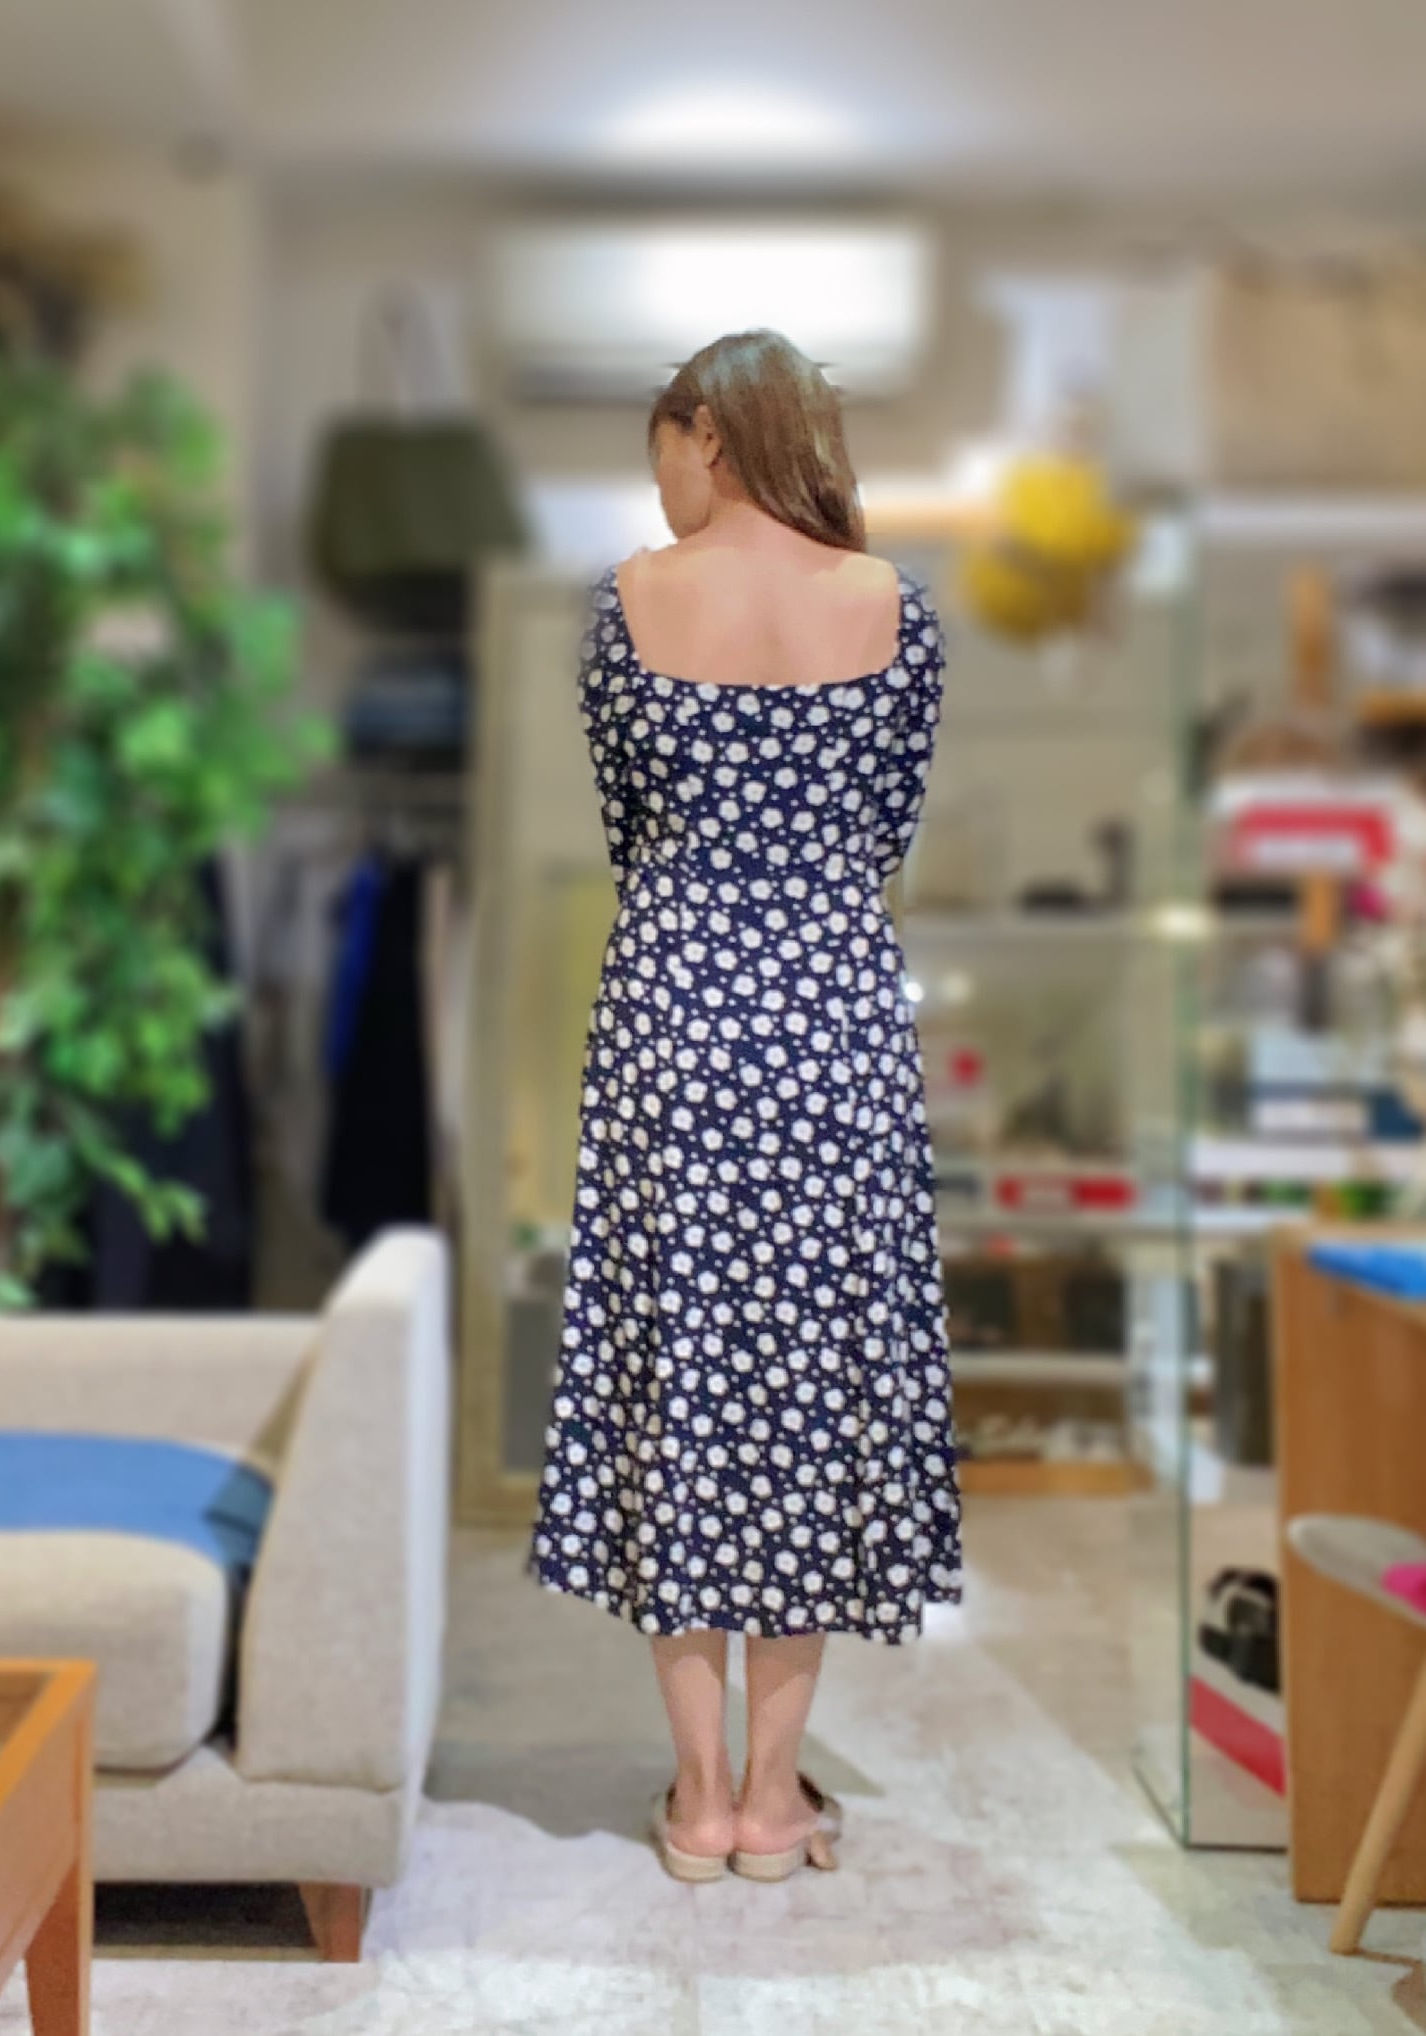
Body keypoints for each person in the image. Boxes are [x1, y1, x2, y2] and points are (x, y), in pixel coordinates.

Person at [526, 328, 962, 1883]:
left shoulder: (628, 603)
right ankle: (778, 1804)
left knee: (685, 1380)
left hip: (677, 1020)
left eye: (660, 449)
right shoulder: (896, 607)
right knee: (815, 1390)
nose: (659, 482)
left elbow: (631, 821)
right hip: (836, 1027)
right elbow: (888, 831)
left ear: (704, 432)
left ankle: (699, 1798)